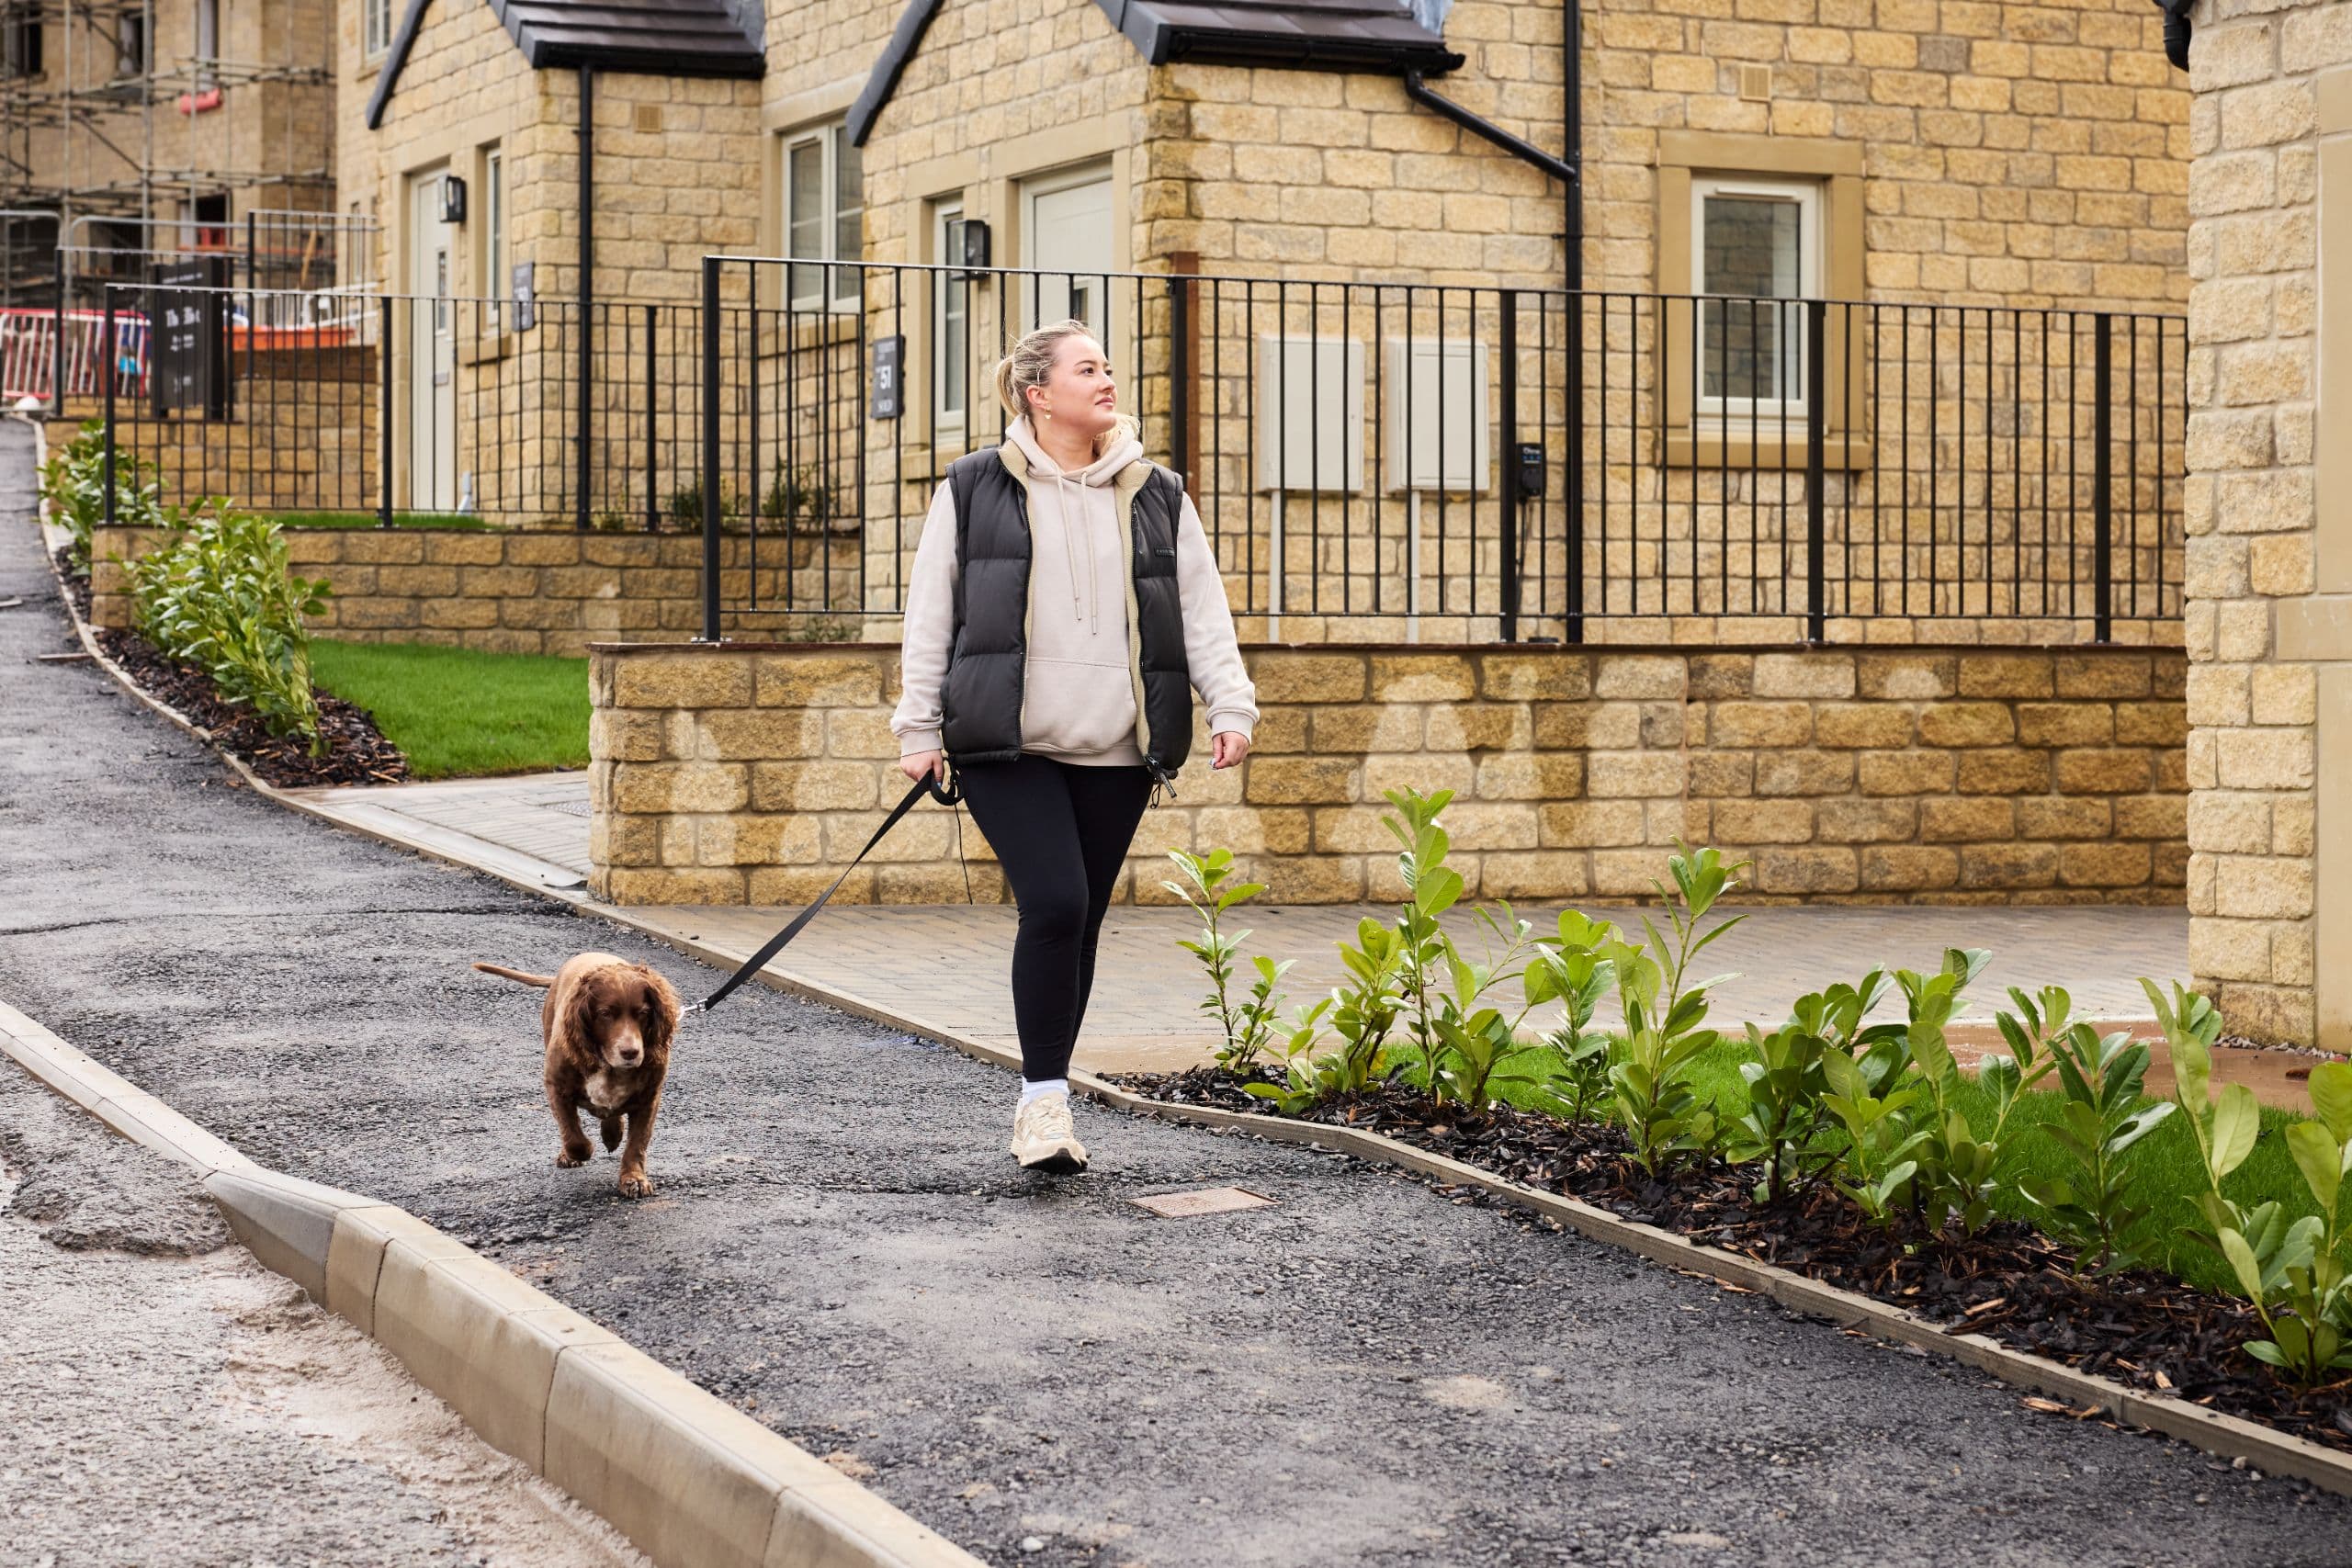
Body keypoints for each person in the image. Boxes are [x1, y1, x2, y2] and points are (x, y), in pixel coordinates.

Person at [891, 319, 1258, 1174]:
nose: (1108, 380)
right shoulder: (974, 486)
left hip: (1116, 747)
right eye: (1087, 368)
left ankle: (1047, 1098)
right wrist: (917, 725)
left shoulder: (1158, 491)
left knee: (1081, 919)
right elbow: (931, 611)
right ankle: (1041, 1104)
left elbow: (1200, 607)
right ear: (1037, 393)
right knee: (1055, 903)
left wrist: (1229, 705)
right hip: (1005, 745)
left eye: (1109, 366)